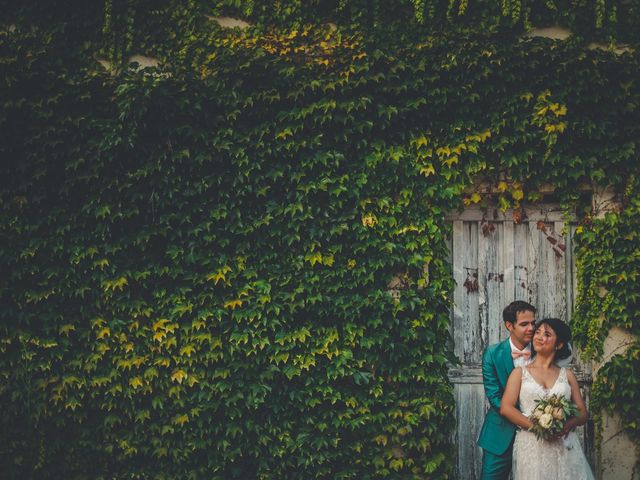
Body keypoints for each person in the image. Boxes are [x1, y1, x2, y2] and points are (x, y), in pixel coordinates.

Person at [500, 318, 594, 479]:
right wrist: (539, 429)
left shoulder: (568, 375)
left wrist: (567, 425)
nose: (539, 337)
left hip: (563, 444)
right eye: (537, 332)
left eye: (547, 334)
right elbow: (506, 408)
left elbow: (583, 413)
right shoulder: (519, 373)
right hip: (532, 445)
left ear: (559, 344)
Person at [478, 300, 537, 479]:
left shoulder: (543, 350)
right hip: (500, 434)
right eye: (524, 324)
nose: (531, 328)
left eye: (533, 323)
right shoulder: (492, 353)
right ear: (509, 325)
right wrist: (523, 418)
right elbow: (494, 395)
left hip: (537, 435)